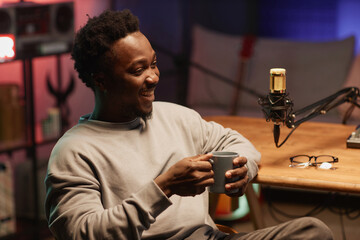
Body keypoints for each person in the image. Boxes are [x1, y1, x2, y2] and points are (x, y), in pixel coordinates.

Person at [44, 9, 334, 240]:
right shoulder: (74, 151)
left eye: (153, 63)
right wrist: (164, 187)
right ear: (101, 81)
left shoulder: (176, 117)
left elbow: (236, 142)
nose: (153, 77)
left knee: (312, 231)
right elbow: (82, 233)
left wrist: (243, 171)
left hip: (210, 237)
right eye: (138, 70)